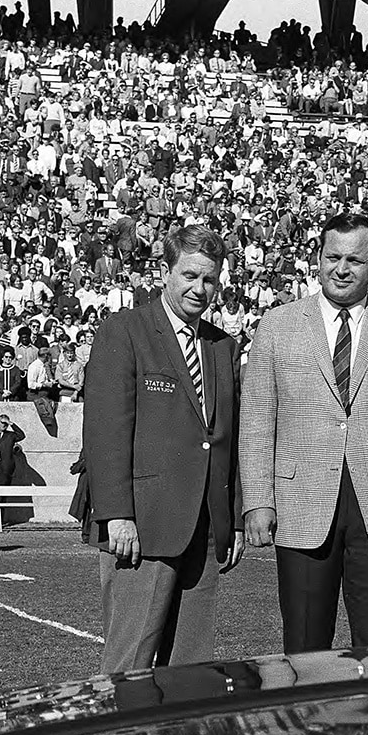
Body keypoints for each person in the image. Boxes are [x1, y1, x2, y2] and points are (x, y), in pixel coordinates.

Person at [241, 213, 368, 654]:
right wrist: (257, 501)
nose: (342, 269)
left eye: (355, 260)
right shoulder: (278, 324)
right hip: (300, 503)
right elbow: (257, 418)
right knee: (304, 643)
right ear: (318, 260)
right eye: (333, 257)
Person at [85, 224, 244, 673]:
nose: (200, 288)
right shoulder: (125, 331)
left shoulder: (222, 346)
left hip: (205, 527)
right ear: (165, 272)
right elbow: (106, 431)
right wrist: (117, 513)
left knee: (190, 669)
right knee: (128, 664)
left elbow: (225, 440)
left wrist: (230, 519)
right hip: (144, 526)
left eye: (210, 279)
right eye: (190, 275)